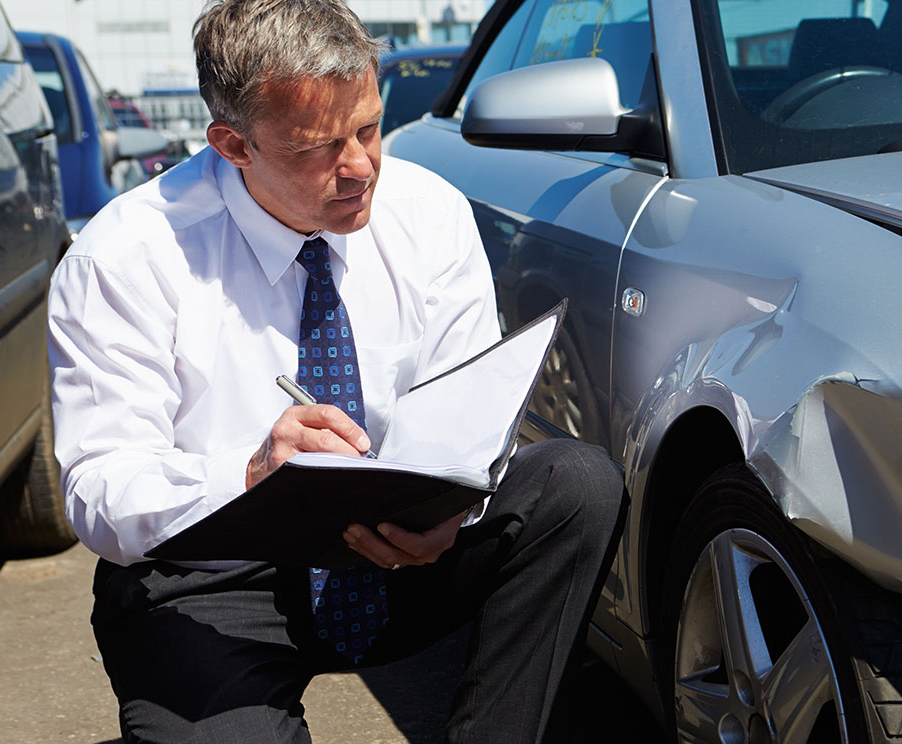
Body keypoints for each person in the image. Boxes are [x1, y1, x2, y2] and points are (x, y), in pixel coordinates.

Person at [46, 1, 624, 741]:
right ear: (233, 144)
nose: (360, 168)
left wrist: (455, 511)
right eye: (316, 148)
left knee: (576, 485)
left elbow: (470, 417)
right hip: (213, 572)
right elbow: (99, 492)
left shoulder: (428, 214)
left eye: (370, 128)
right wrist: (252, 474)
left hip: (398, 551)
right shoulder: (125, 257)